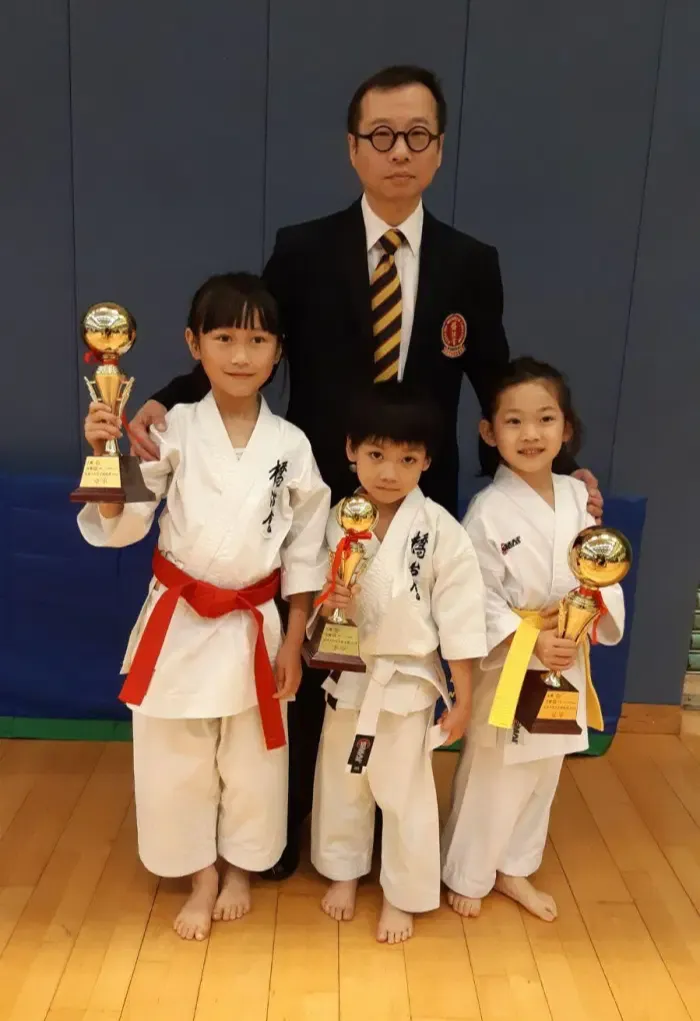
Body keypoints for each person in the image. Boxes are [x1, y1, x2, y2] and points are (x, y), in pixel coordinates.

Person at [127, 66, 603, 877]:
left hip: (416, 488)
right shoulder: (304, 248)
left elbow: (496, 375)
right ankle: (288, 819)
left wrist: (562, 466)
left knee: (397, 654)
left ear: (440, 149)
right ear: (353, 149)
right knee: (317, 651)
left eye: (417, 135)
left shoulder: (469, 260)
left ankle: (383, 820)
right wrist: (169, 400)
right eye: (381, 135)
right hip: (317, 481)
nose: (399, 151)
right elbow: (250, 339)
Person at [76, 273, 330, 941]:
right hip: (182, 619)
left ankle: (241, 867)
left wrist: (295, 637)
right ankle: (200, 874)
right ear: (194, 344)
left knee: (253, 762)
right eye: (223, 338)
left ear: (278, 350)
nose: (241, 355)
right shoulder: (172, 428)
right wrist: (103, 453)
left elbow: (307, 550)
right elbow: (125, 521)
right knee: (176, 757)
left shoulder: (292, 445)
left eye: (257, 340)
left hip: (254, 621)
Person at [441, 357, 625, 922]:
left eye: (546, 419)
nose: (531, 434)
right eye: (514, 421)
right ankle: (467, 871)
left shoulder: (577, 497)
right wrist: (531, 639)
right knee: (495, 770)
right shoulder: (487, 511)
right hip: (514, 656)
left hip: (567, 649)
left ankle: (515, 866)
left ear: (566, 429)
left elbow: (599, 568)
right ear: (489, 432)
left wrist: (580, 624)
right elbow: (475, 595)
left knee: (546, 768)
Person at [310, 386, 486, 943]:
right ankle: (343, 871)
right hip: (349, 672)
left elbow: (461, 620)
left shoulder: (441, 530)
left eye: (408, 459)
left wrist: (463, 699)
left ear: (428, 461)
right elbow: (310, 595)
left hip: (407, 682)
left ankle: (403, 893)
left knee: (405, 790)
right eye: (376, 454)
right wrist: (328, 602)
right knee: (343, 780)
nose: (390, 472)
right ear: (350, 450)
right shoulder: (335, 521)